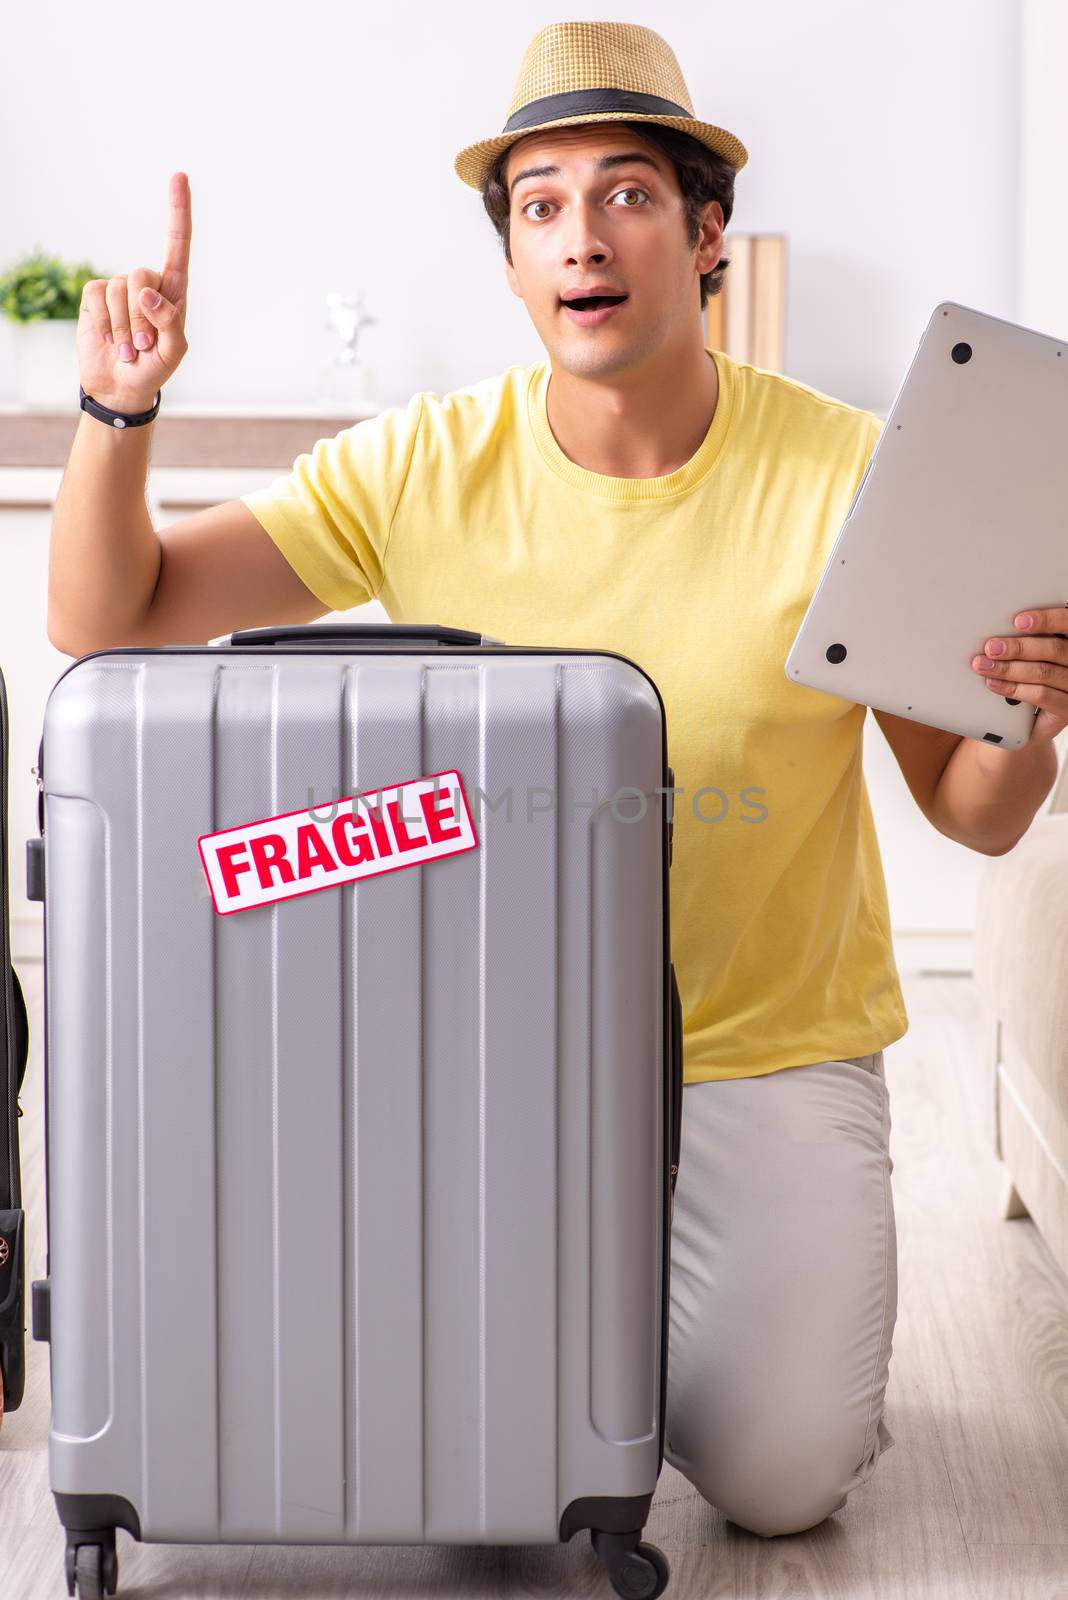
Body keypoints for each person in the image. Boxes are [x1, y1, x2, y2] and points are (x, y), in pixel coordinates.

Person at [48, 19, 1057, 1540]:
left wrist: (1027, 720)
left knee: (782, 1483)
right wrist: (119, 415)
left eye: (630, 194)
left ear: (707, 234)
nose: (584, 236)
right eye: (540, 205)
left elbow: (967, 810)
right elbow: (106, 615)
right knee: (478, 1459)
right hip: (481, 1052)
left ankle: (692, 1325)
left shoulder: (850, 474)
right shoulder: (419, 463)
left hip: (759, 1051)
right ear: (514, 261)